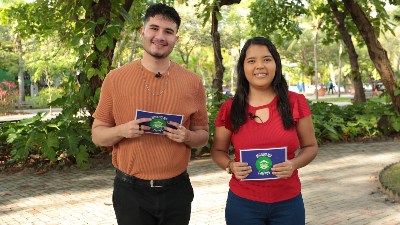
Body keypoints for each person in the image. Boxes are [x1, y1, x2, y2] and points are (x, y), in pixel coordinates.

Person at [91, 3, 209, 225]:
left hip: (177, 190)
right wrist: (123, 130)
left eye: (168, 31)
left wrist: (187, 137)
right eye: (154, 28)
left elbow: (202, 134)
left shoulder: (193, 82)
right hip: (130, 191)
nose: (160, 36)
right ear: (142, 32)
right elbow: (97, 135)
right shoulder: (115, 79)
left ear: (176, 38)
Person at [211, 37, 318, 225]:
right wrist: (230, 166)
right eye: (251, 61)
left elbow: (310, 147)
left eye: (267, 59)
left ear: (276, 64)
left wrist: (293, 164)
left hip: (288, 204)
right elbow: (218, 151)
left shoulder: (295, 102)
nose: (260, 66)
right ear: (243, 68)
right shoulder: (230, 108)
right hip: (243, 205)